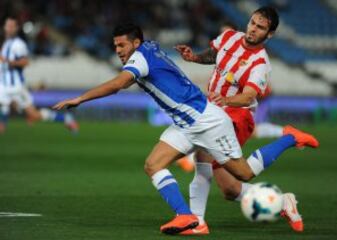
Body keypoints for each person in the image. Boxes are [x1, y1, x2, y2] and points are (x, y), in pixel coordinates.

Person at [53, 23, 318, 235]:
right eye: (115, 46)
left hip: (207, 121)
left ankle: (289, 138)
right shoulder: (150, 48)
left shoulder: (140, 58)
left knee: (243, 174)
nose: (118, 50)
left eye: (122, 45)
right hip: (185, 123)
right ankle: (190, 218)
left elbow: (118, 84)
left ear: (135, 43)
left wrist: (80, 98)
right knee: (154, 164)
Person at [175, 7, 306, 234]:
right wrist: (194, 57)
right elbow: (215, 54)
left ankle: (196, 221)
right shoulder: (229, 37)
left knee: (203, 152)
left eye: (260, 27)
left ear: (270, 34)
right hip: (215, 109)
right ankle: (282, 202)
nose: (253, 29)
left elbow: (248, 96)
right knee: (230, 188)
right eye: (252, 23)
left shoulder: (260, 63)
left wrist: (225, 99)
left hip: (238, 115)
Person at [0, 17, 78, 134]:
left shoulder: (18, 44)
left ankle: (65, 118)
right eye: (7, 26)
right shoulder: (5, 46)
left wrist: (10, 62)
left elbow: (25, 62)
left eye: (11, 26)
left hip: (16, 87)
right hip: (3, 87)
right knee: (3, 119)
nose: (9, 28)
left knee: (34, 115)